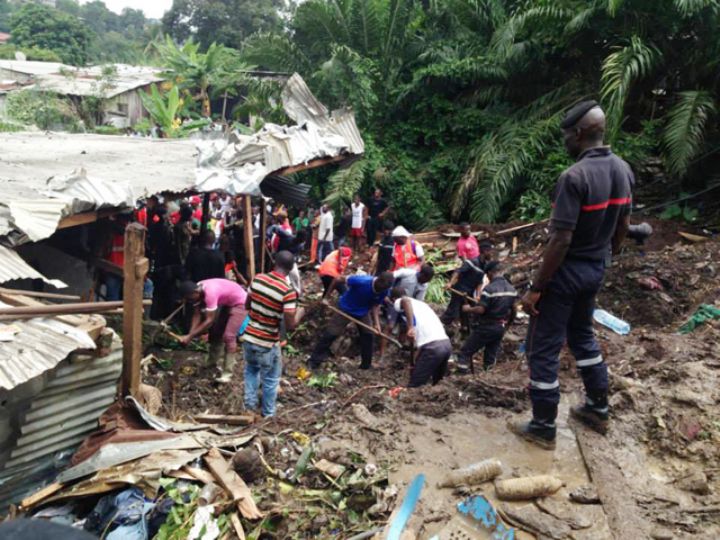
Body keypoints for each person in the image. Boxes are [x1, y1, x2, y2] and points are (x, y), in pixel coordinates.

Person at [510, 101, 633, 450]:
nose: (564, 141)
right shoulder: (623, 170)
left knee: (542, 347)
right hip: (595, 269)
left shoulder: (573, 178)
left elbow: (560, 238)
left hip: (566, 274)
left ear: (578, 134)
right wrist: (609, 255)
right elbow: (623, 225)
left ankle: (543, 426)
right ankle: (597, 406)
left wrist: (536, 288)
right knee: (582, 337)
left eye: (566, 135)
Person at [244, 251, 305, 417]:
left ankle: (249, 406)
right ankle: (268, 414)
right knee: (270, 379)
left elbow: (247, 305)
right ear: (292, 267)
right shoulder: (287, 291)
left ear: (274, 262)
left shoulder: (258, 279)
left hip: (249, 336)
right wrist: (300, 313)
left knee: (251, 370)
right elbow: (290, 324)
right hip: (268, 342)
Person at [308, 271, 395, 370]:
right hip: (345, 308)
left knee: (368, 335)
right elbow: (338, 279)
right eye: (381, 287)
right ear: (378, 280)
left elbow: (375, 305)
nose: (382, 290)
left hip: (363, 312)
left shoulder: (384, 290)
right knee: (331, 334)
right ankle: (314, 361)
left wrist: (377, 323)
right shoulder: (361, 281)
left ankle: (366, 365)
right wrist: (326, 298)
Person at [178, 278, 248, 383]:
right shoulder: (197, 290)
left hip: (241, 303)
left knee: (229, 336)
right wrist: (190, 334)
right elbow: (196, 314)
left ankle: (227, 373)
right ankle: (211, 362)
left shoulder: (210, 293)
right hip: (228, 302)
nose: (190, 301)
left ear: (195, 292)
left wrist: (190, 337)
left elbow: (209, 320)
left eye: (190, 298)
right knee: (215, 332)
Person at [456, 262, 517, 372]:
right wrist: (508, 325)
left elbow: (481, 310)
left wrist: (468, 309)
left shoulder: (489, 289)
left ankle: (461, 376)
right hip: (500, 327)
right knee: (490, 355)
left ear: (490, 273)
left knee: (465, 352)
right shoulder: (511, 289)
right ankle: (488, 375)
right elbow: (514, 310)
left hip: (486, 326)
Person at [390, 287, 452, 387]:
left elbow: (405, 300)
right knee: (438, 384)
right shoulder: (421, 305)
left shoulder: (400, 301)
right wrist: (415, 362)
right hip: (446, 344)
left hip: (433, 348)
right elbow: (421, 345)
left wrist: (410, 327)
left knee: (415, 384)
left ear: (393, 299)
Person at [440, 244, 492, 325]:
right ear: (485, 252)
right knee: (453, 311)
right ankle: (441, 324)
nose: (491, 254)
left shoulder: (484, 266)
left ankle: (464, 329)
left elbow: (480, 282)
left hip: (469, 293)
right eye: (490, 252)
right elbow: (458, 272)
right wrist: (450, 283)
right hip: (459, 290)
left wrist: (478, 295)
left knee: (469, 312)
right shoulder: (471, 262)